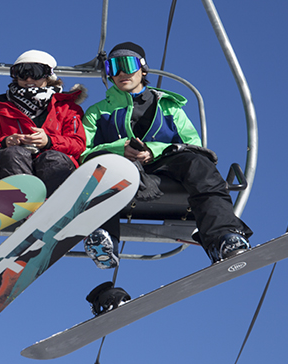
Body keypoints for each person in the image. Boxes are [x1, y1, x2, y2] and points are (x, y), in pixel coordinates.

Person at [81, 41, 253, 269]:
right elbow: (82, 151)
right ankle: (104, 238)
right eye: (114, 67)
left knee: (199, 164)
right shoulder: (98, 112)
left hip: (166, 164)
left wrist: (154, 150)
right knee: (102, 169)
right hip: (120, 167)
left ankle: (222, 238)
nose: (122, 73)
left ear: (143, 69)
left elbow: (193, 144)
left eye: (128, 64)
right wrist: (119, 149)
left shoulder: (169, 107)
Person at [0, 50, 86, 194]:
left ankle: (54, 208)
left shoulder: (66, 107)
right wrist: (6, 141)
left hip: (54, 161)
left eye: (35, 72)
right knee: (14, 154)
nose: (28, 79)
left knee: (52, 158)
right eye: (22, 73)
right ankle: (21, 208)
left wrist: (49, 141)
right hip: (14, 161)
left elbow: (78, 144)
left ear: (47, 75)